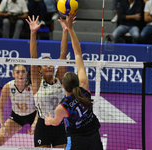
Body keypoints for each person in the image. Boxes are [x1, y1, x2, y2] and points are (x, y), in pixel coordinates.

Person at [44, 14, 104, 150]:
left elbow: (55, 122)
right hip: (94, 135)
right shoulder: (84, 87)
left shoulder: (62, 107)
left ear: (63, 85)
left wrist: (48, 121)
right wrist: (70, 29)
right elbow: (78, 54)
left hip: (77, 140)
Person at [26, 15, 69, 148]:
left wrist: (65, 30)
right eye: (45, 65)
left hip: (59, 125)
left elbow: (63, 54)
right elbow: (33, 57)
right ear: (39, 69)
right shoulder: (37, 83)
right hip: (42, 126)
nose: (49, 66)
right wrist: (33, 33)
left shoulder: (59, 80)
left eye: (50, 64)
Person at [0, 64, 36, 146]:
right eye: (17, 72)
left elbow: (41, 107)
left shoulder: (33, 86)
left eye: (23, 72)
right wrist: (2, 125)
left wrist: (35, 123)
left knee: (43, 141)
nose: (20, 74)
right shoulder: (8, 87)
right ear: (13, 74)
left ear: (26, 73)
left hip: (34, 115)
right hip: (17, 117)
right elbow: (0, 107)